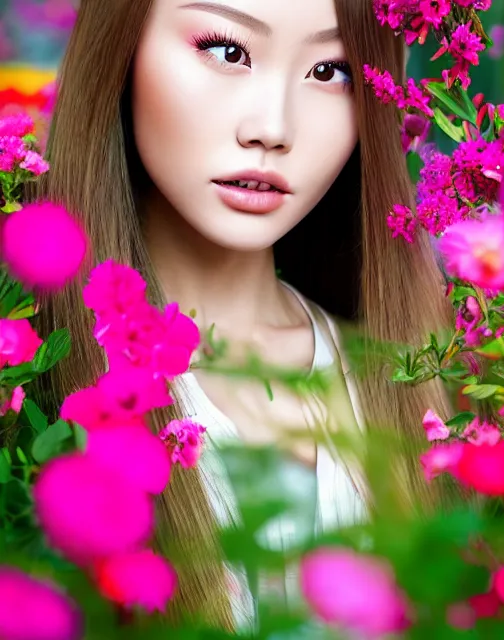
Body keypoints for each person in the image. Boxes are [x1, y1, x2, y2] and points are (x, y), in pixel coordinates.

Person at [32, 0, 451, 630]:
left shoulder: (431, 384)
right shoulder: (28, 368)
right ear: (124, 40)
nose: (273, 127)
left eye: (332, 71)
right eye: (228, 51)